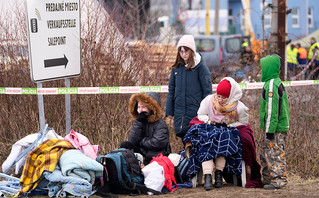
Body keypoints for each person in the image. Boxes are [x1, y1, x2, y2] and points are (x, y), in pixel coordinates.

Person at [184, 77, 261, 191]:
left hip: (227, 130)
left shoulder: (240, 108)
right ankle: (208, 176)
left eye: (224, 98)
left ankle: (219, 174)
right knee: (206, 141)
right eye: (218, 96)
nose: (220, 100)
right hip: (209, 128)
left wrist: (229, 125)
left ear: (230, 96)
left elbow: (243, 122)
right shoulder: (209, 100)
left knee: (223, 141)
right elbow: (200, 114)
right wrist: (209, 121)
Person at [166, 35, 212, 139]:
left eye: (186, 51)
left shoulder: (201, 68)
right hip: (179, 114)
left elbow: (207, 91)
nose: (183, 54)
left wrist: (206, 111)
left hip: (195, 112)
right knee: (184, 142)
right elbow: (171, 90)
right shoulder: (176, 68)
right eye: (181, 51)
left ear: (191, 51)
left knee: (195, 142)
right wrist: (169, 110)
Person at [259, 54, 289, 190]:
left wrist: (270, 130)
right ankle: (267, 178)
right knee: (265, 153)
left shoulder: (272, 84)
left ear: (269, 68)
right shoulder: (270, 83)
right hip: (270, 127)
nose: (261, 70)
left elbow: (272, 109)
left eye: (263, 67)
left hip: (275, 128)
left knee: (275, 154)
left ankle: (279, 181)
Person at [120, 92, 171, 165]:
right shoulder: (140, 121)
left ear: (151, 108)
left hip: (157, 155)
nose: (140, 110)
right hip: (143, 153)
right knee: (125, 145)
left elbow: (157, 143)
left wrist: (141, 142)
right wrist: (138, 122)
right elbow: (132, 141)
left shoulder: (160, 124)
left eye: (143, 107)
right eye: (138, 107)